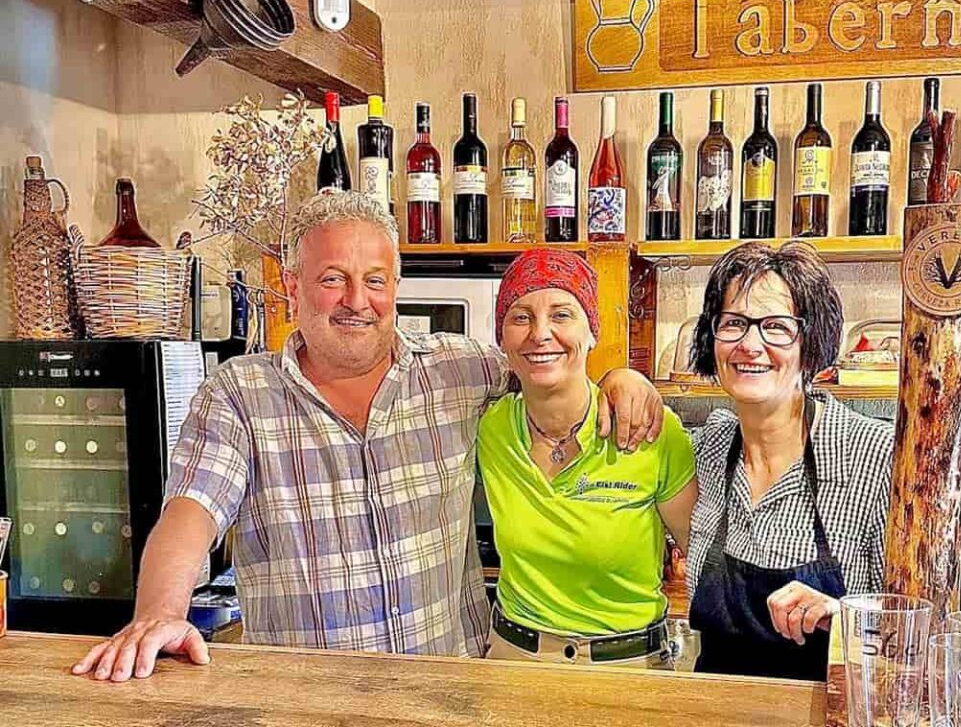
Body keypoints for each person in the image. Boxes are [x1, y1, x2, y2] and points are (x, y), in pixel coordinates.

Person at [71, 190, 665, 682]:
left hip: (452, 692)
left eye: (375, 280)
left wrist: (620, 374)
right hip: (308, 700)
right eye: (334, 278)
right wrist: (158, 614)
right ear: (293, 281)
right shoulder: (238, 394)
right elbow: (191, 511)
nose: (357, 301)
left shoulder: (459, 369)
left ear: (396, 285)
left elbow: (550, 367)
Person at [477, 249, 696, 670]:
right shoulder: (491, 429)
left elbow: (702, 557)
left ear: (592, 331)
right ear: (501, 336)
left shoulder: (648, 429)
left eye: (562, 315)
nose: (541, 334)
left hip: (630, 667)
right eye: (521, 317)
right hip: (514, 661)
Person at [685, 241, 894, 681]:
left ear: (810, 341)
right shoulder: (709, 447)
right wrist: (622, 378)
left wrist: (841, 615)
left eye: (777, 327)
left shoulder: (873, 455)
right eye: (734, 323)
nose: (750, 344)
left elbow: (916, 633)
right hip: (713, 710)